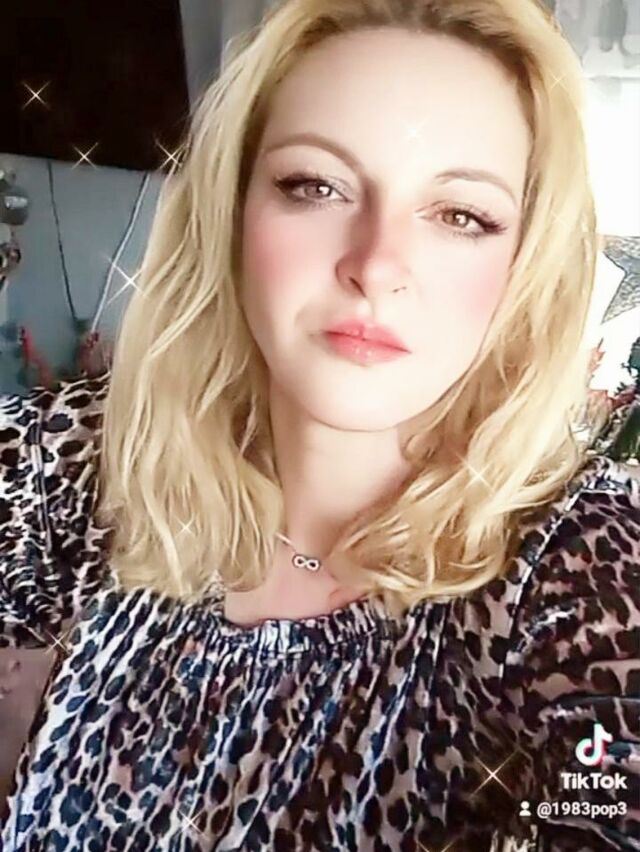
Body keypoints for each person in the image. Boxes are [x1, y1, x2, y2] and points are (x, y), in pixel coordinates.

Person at [0, 0, 638, 849]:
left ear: (525, 263)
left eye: (462, 215)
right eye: (315, 186)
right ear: (231, 211)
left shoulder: (582, 564)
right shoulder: (77, 457)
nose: (375, 266)